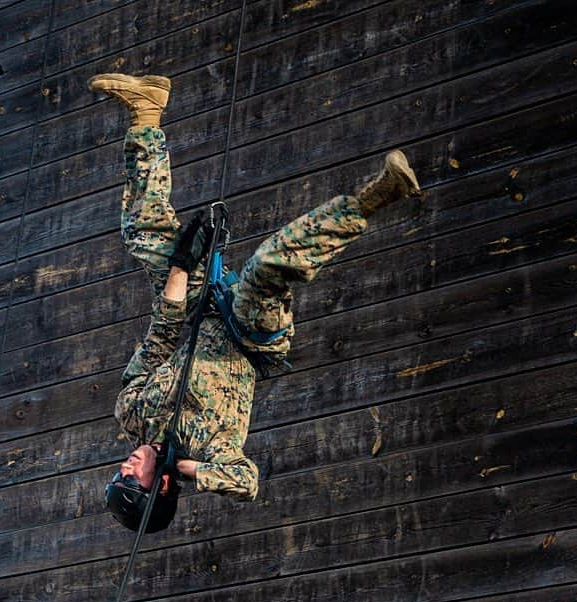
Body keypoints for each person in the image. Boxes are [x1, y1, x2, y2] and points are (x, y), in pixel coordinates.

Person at [93, 73, 422, 533]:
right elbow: (245, 483)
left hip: (199, 308)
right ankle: (375, 198)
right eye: (132, 481)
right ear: (159, 487)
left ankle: (146, 111)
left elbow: (162, 335)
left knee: (146, 238)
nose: (124, 467)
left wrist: (182, 266)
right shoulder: (208, 452)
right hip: (248, 336)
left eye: (119, 474)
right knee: (270, 264)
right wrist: (186, 468)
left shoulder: (131, 411)